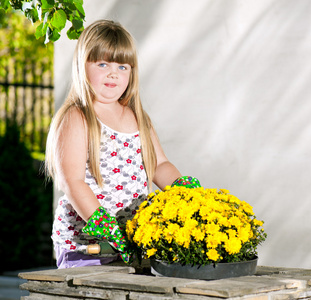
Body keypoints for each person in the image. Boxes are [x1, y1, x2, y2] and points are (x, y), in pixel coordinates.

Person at [45, 20, 201, 269]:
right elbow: (71, 181)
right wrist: (104, 226)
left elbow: (159, 164)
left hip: (132, 243)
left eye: (122, 66)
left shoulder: (137, 118)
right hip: (87, 247)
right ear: (82, 65)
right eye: (102, 63)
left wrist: (185, 192)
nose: (113, 73)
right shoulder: (78, 117)